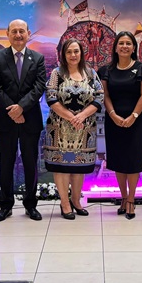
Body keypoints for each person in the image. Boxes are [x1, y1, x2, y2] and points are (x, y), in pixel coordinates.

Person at [0, 19, 47, 223]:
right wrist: (13, 110)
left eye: (22, 31)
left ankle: (31, 205)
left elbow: (39, 87)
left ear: (28, 33)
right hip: (5, 120)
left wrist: (21, 107)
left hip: (30, 119)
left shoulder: (38, 58)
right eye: (14, 31)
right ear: (7, 34)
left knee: (31, 163)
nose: (18, 35)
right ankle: (5, 205)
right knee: (6, 163)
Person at [44, 39, 104, 220]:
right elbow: (51, 97)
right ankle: (65, 204)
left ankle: (76, 201)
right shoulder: (57, 73)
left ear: (81, 53)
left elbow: (100, 97)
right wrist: (72, 117)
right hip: (59, 130)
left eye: (76, 51)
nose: (73, 55)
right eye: (69, 52)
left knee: (79, 166)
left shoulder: (91, 74)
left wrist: (82, 116)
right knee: (62, 167)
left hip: (84, 130)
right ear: (63, 54)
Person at [99, 31, 142, 220]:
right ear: (115, 47)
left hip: (137, 120)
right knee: (118, 160)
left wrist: (133, 116)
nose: (124, 46)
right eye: (121, 43)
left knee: (133, 160)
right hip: (114, 120)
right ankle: (123, 197)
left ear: (133, 47)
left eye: (128, 43)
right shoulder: (105, 70)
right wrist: (113, 114)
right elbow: (105, 95)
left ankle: (131, 200)